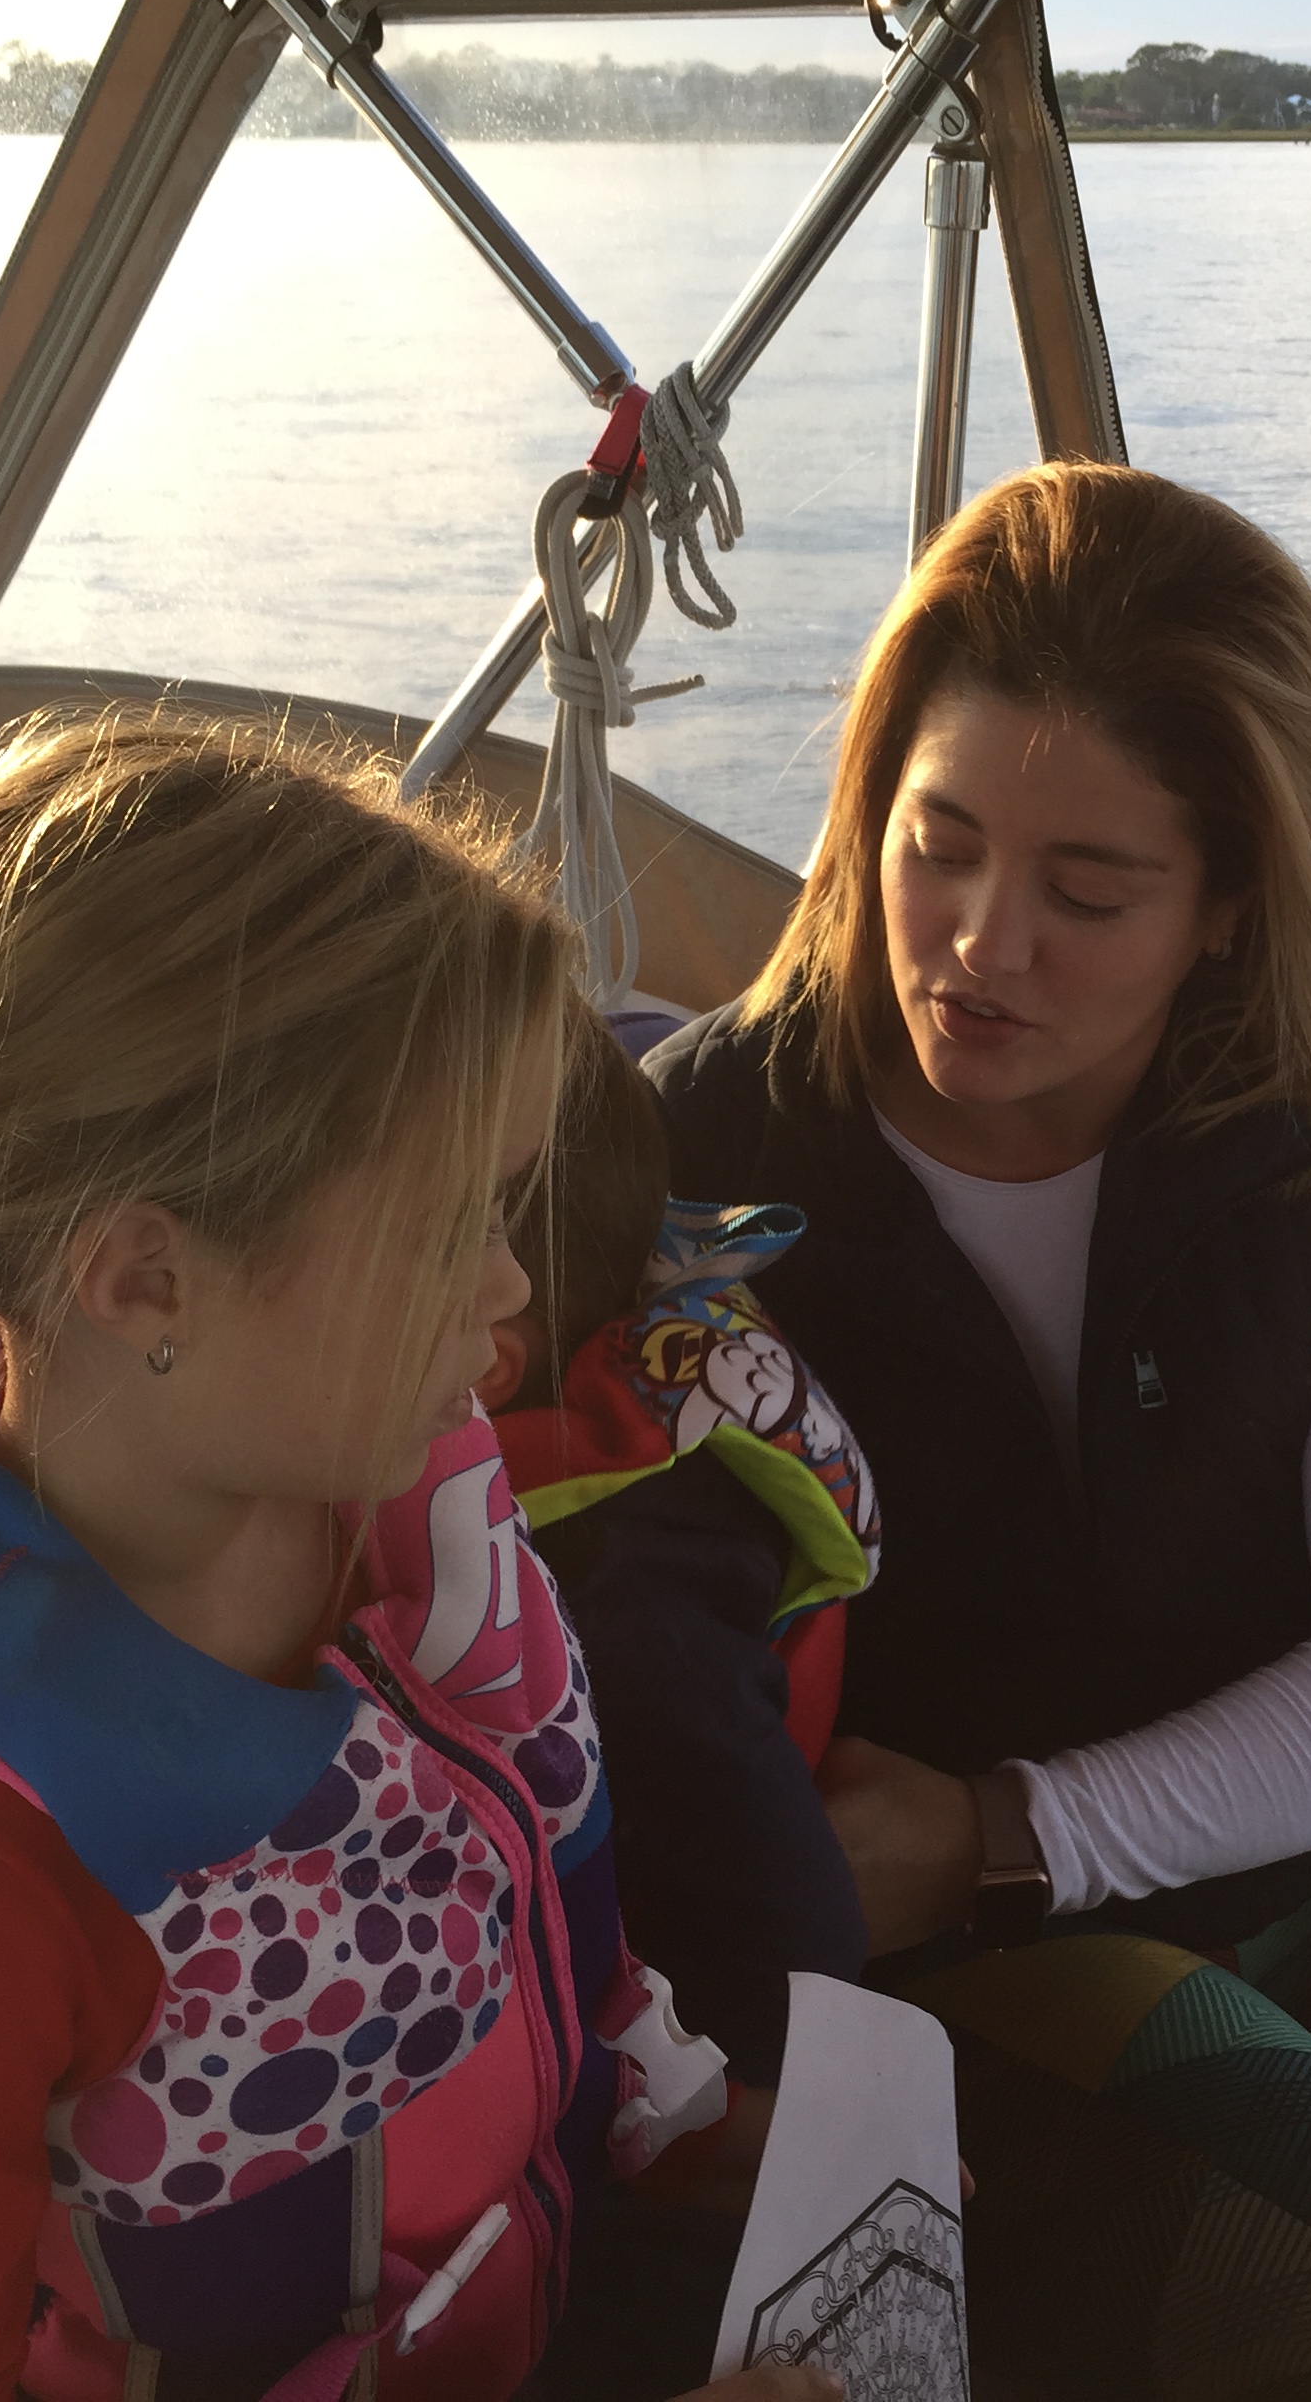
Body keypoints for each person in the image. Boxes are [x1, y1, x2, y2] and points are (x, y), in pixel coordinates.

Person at [0, 712, 838, 2402]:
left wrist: (704, 2129)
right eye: (454, 1225)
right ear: (148, 1280)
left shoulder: (391, 1504)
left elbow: (515, 1894)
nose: (514, 1289)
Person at [646, 465, 1311, 2397]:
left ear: (1231, 903)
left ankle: (1300, 2168)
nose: (982, 946)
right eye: (936, 845)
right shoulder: (687, 1166)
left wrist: (1001, 1833)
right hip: (934, 1975)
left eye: (1087, 893)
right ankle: (1279, 2192)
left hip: (1250, 1852)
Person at [484, 1005, 883, 2401]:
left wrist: (764, 2123)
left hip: (698, 2072)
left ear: (486, 1341)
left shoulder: (613, 1590)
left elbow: (786, 1907)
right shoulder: (627, 1379)